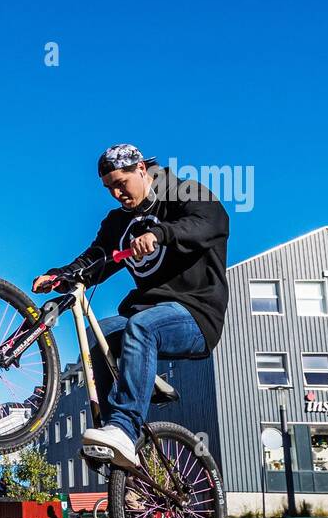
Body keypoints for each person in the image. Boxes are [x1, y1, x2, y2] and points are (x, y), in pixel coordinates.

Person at [32, 144, 229, 468]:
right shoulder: (117, 223)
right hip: (149, 313)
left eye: (121, 183)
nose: (116, 194)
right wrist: (59, 275)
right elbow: (94, 261)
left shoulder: (182, 192)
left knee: (143, 326)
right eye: (109, 188)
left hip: (195, 312)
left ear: (141, 170)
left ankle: (124, 426)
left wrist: (161, 233)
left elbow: (213, 222)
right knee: (103, 337)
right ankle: (117, 439)